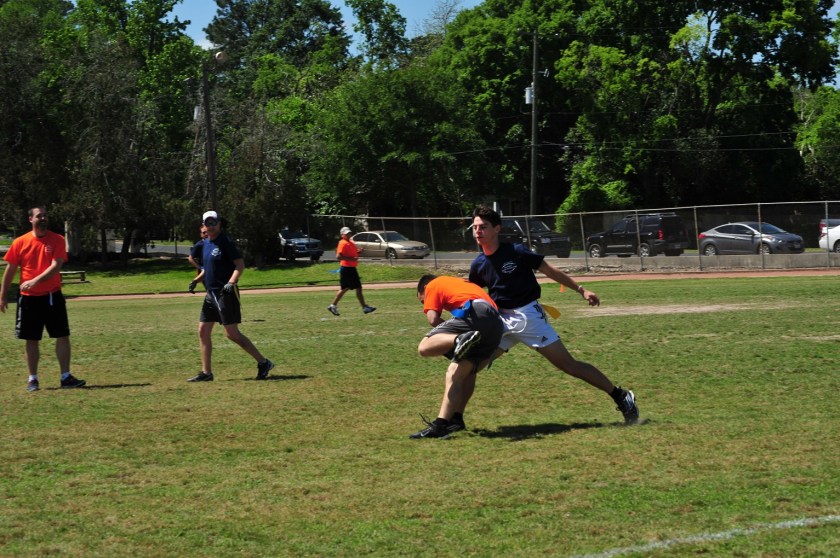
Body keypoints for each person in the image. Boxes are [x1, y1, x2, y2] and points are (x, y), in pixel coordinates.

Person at [469, 205, 639, 423]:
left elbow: (550, 270)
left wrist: (581, 290)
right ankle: (452, 419)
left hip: (528, 317)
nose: (478, 231)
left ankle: (621, 396)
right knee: (471, 365)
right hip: (502, 320)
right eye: (475, 227)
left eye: (483, 227)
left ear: (497, 229)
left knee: (568, 365)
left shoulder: (516, 252)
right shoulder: (478, 264)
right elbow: (471, 295)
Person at [0, 206, 86, 392]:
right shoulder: (20, 242)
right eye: (40, 216)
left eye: (46, 216)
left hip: (52, 296)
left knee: (62, 336)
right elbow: (11, 269)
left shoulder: (57, 239)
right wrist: (3, 295)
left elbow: (56, 266)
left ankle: (65, 377)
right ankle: (33, 380)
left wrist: (35, 280)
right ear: (30, 219)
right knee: (31, 339)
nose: (44, 219)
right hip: (29, 299)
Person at [409, 274, 504, 439]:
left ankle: (460, 338)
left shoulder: (432, 285)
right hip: (496, 324)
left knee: (424, 347)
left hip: (475, 313)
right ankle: (451, 421)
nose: (425, 304)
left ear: (424, 289)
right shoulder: (459, 283)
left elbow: (433, 319)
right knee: (460, 373)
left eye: (422, 301)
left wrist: (453, 336)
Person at [187, 210, 274, 382]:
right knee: (203, 331)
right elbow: (209, 269)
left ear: (219, 224)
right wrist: (197, 281)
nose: (210, 226)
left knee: (232, 334)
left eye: (213, 222)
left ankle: (263, 362)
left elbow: (240, 265)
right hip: (210, 294)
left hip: (225, 293)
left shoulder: (225, 242)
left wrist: (231, 282)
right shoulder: (205, 244)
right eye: (207, 223)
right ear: (203, 225)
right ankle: (206, 373)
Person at [327, 226, 376, 316]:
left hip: (349, 268)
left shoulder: (349, 242)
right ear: (342, 235)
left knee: (345, 288)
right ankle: (364, 307)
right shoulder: (343, 243)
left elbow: (350, 254)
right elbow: (338, 256)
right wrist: (351, 259)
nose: (348, 234)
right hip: (347, 268)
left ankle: (333, 305)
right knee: (357, 287)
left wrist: (358, 252)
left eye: (349, 233)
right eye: (346, 234)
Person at [188, 225, 207, 294]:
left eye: (207, 232)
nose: (206, 234)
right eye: (204, 232)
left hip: (215, 271)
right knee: (211, 291)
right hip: (205, 273)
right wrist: (200, 267)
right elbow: (190, 258)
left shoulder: (214, 243)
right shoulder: (199, 245)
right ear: (201, 234)